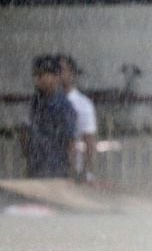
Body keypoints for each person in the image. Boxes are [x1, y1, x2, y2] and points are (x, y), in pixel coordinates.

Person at [25, 55, 77, 178]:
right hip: (36, 166)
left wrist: (71, 171)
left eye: (42, 75)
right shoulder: (36, 102)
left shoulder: (63, 107)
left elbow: (70, 141)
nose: (37, 79)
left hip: (55, 167)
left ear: (55, 77)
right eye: (36, 75)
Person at [60, 55, 98, 183]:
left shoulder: (83, 104)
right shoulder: (42, 102)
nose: (58, 74)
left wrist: (88, 172)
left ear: (72, 74)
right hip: (50, 167)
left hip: (73, 170)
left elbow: (90, 142)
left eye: (62, 70)